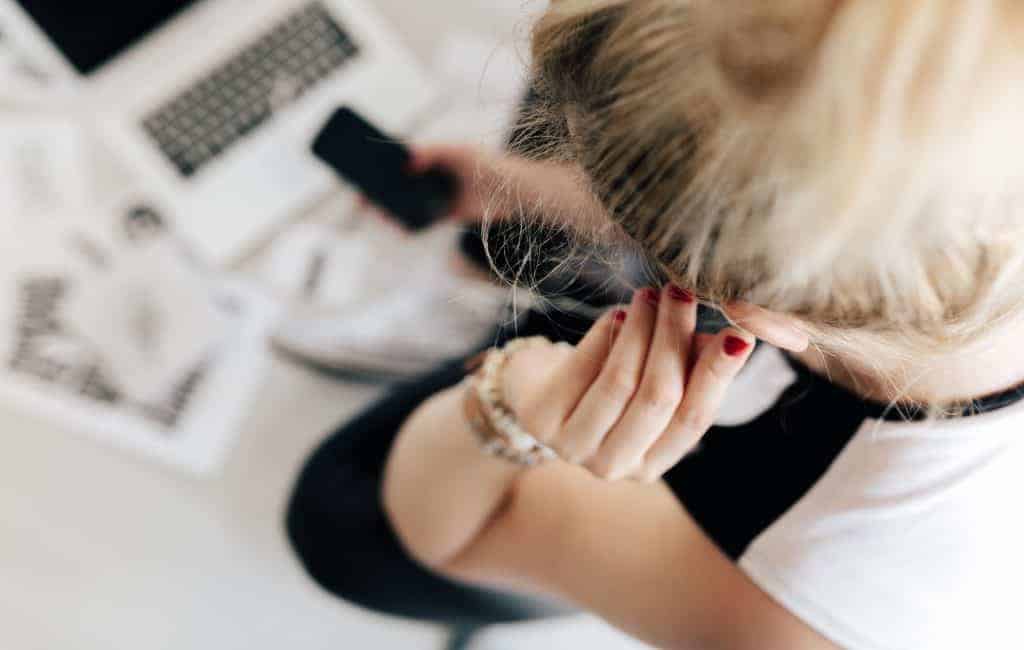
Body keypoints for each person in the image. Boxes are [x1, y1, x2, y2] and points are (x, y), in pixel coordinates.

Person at [286, 1, 1024, 648]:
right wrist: (518, 193)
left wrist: (507, 404)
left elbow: (461, 527)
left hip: (690, 510)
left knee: (338, 518)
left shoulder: (800, 609)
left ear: (744, 303)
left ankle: (509, 319)